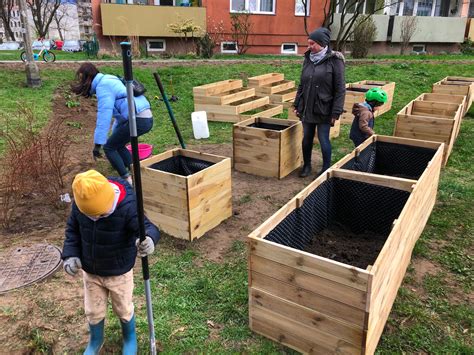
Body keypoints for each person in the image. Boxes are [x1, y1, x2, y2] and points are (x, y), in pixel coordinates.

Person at [62, 169, 160, 354]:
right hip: (91, 271)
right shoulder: (80, 205)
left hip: (119, 272)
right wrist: (70, 255)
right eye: (91, 215)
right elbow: (72, 231)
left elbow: (147, 227)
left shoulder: (127, 206)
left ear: (109, 200)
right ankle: (95, 340)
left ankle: (129, 338)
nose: (96, 218)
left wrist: (149, 239)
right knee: (93, 311)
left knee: (123, 307)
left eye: (99, 214)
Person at [71, 63, 153, 186]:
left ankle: (128, 181)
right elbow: (120, 116)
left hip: (138, 119)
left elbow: (104, 116)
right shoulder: (109, 78)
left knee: (109, 147)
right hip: (145, 117)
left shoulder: (103, 86)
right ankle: (136, 173)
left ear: (88, 78)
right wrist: (114, 136)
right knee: (117, 144)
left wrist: (98, 144)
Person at [293, 27, 346, 178]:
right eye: (308, 43)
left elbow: (340, 89)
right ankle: (307, 166)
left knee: (323, 139)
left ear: (323, 43)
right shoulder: (308, 58)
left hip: (324, 108)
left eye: (312, 44)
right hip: (307, 107)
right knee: (307, 138)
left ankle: (326, 168)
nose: (309, 47)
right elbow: (302, 84)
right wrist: (297, 104)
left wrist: (336, 112)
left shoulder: (335, 61)